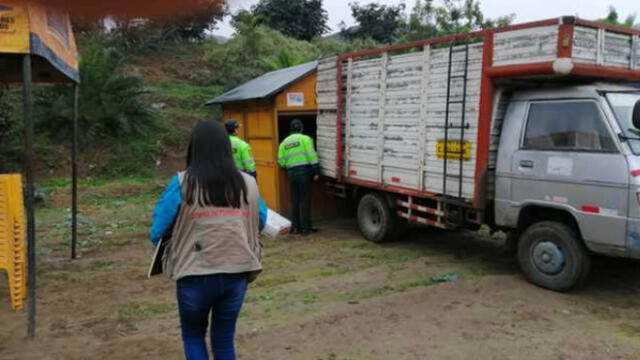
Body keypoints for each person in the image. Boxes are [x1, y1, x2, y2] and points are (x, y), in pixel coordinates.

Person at [150, 120, 267, 360]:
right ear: (226, 148)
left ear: (194, 148)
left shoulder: (182, 183)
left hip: (194, 273)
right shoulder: (248, 183)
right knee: (224, 339)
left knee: (193, 336)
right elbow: (262, 221)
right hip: (238, 271)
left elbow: (157, 231)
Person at [277, 119, 320, 236]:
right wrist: (316, 170)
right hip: (304, 172)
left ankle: (296, 227)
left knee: (295, 200)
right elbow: (312, 155)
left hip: (291, 173)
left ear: (290, 129)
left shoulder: (284, 142)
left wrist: (288, 167)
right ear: (301, 128)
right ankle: (306, 229)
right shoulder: (305, 139)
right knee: (305, 200)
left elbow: (281, 161)